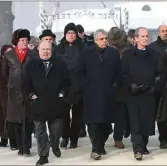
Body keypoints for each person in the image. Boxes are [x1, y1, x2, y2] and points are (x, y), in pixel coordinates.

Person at [121, 27, 164, 160]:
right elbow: (123, 73)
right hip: (133, 94)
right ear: (136, 39)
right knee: (135, 122)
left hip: (149, 93)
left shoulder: (155, 54)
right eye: (142, 36)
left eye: (147, 36)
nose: (145, 38)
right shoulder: (128, 54)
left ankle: (143, 145)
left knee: (147, 121)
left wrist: (154, 87)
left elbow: (161, 73)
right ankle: (137, 149)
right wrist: (130, 85)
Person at [77, 29, 121, 160]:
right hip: (91, 93)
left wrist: (115, 84)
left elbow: (118, 71)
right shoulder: (86, 53)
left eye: (106, 38)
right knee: (93, 122)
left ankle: (100, 144)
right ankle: (95, 149)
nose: (104, 41)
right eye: (101, 39)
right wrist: (86, 85)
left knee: (106, 124)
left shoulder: (113, 53)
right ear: (96, 40)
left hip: (108, 92)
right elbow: (80, 71)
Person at [24, 41, 69, 166]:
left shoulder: (60, 64)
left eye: (48, 49)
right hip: (38, 102)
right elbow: (25, 83)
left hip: (56, 102)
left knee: (56, 130)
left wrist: (62, 93)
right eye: (43, 49)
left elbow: (67, 81)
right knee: (40, 131)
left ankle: (54, 143)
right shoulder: (30, 65)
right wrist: (31, 95)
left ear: (51, 50)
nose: (45, 52)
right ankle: (43, 155)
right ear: (38, 50)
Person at [2, 29, 37, 156]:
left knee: (28, 121)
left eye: (26, 40)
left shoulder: (33, 54)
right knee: (16, 121)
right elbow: (5, 73)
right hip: (14, 94)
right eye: (21, 40)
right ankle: (20, 147)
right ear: (16, 42)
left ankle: (26, 147)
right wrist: (13, 83)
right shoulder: (9, 55)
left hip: (28, 92)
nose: (24, 42)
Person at [55, 23, 85, 149]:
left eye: (73, 33)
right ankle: (65, 137)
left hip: (79, 85)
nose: (71, 35)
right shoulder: (59, 48)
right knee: (64, 115)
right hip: (64, 86)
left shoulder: (83, 47)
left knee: (78, 116)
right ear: (65, 34)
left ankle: (74, 138)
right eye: (68, 33)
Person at [149, 24, 167, 149]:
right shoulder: (152, 47)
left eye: (166, 31)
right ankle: (163, 138)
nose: (164, 33)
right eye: (162, 31)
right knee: (161, 112)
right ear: (158, 33)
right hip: (159, 84)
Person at [107, 27, 130, 149]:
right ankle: (118, 137)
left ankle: (123, 133)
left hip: (128, 85)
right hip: (115, 86)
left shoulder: (129, 49)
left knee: (127, 114)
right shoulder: (109, 50)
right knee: (119, 114)